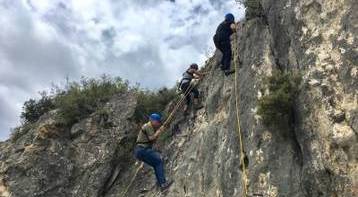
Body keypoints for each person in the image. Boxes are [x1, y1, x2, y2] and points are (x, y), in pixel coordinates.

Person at [134, 113, 173, 191]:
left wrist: (159, 131)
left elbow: (153, 140)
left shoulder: (150, 127)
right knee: (158, 161)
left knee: (156, 164)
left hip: (140, 151)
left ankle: (160, 183)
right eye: (158, 122)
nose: (158, 124)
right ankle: (163, 184)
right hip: (142, 150)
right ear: (153, 121)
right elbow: (152, 138)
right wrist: (160, 130)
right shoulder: (148, 126)